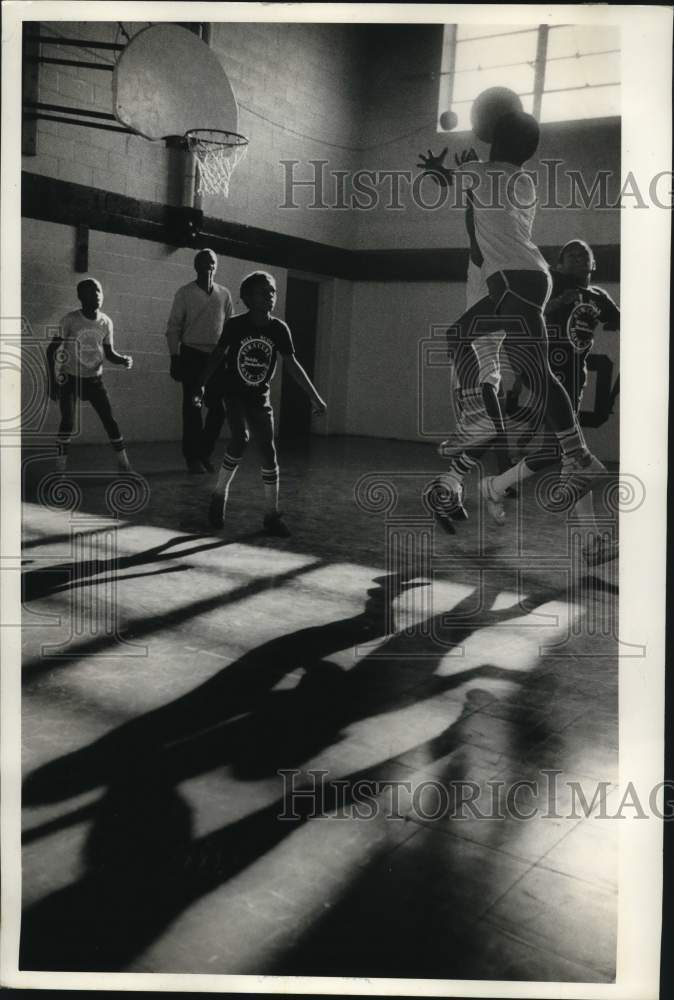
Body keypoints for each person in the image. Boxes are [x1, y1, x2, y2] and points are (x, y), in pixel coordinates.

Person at [418, 111, 607, 530]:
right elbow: (483, 222)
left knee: (526, 370)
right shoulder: (525, 183)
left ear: (494, 140)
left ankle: (574, 456)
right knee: (472, 341)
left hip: (513, 281)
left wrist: (439, 167)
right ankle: (568, 454)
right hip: (522, 279)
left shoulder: (478, 171)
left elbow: (451, 193)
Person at [487, 240, 620, 564]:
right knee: (577, 460)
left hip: (573, 383)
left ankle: (495, 486)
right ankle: (591, 543)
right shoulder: (548, 285)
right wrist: (558, 301)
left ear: (593, 266)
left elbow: (623, 322)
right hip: (548, 379)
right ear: (558, 265)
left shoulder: (599, 297)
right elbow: (529, 317)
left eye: (584, 255)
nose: (577, 257)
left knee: (556, 453)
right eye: (570, 255)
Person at [197, 271, 327, 537]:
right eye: (263, 291)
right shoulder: (235, 325)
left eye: (273, 291)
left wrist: (315, 396)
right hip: (233, 393)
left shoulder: (279, 329)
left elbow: (292, 365)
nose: (270, 296)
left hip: (259, 398)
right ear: (247, 299)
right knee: (240, 438)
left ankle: (271, 514)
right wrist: (201, 383)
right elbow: (217, 355)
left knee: (269, 451)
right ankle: (219, 495)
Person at [47, 278, 133, 474]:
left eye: (99, 291)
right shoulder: (70, 320)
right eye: (91, 292)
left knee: (109, 420)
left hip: (94, 380)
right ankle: (59, 470)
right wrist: (52, 382)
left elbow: (110, 353)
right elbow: (50, 350)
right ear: (80, 297)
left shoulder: (106, 322)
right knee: (68, 422)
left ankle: (124, 466)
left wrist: (123, 360)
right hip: (70, 378)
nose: (96, 295)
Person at [165, 249, 233, 474]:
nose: (208, 267)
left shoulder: (224, 294)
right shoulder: (185, 293)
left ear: (217, 265)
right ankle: (192, 458)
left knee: (219, 410)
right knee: (193, 408)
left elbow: (230, 330)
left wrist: (230, 358)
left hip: (217, 358)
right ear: (196, 266)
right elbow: (173, 327)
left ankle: (203, 452)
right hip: (192, 354)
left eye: (212, 263)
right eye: (204, 263)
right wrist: (175, 357)